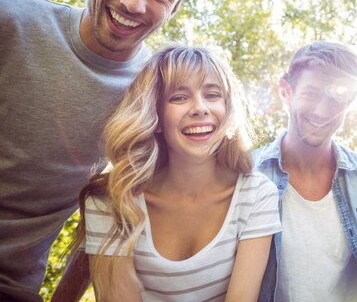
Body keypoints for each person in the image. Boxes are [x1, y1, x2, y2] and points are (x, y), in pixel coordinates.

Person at [0, 0, 202, 302]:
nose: (134, 3)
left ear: (178, 2)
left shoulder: (153, 93)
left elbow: (115, 212)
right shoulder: (11, 23)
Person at [69, 45, 280, 302]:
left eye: (212, 95)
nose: (200, 108)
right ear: (154, 115)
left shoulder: (256, 194)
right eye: (179, 97)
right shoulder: (111, 201)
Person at [255, 41, 357, 302]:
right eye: (311, 94)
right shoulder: (247, 173)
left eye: (336, 99)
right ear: (287, 91)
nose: (322, 111)